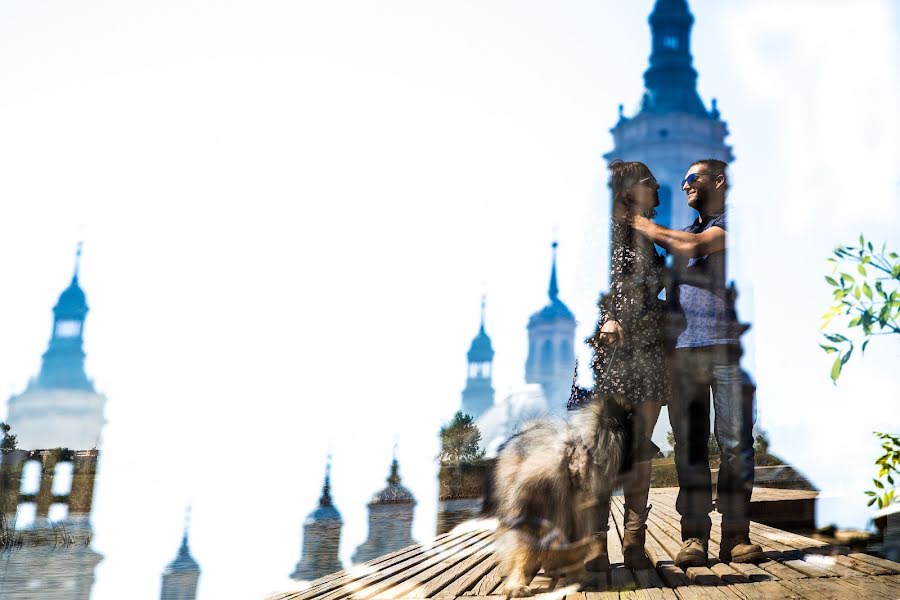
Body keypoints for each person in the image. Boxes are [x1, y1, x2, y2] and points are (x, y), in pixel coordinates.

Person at [616, 158, 763, 567]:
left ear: (718, 180)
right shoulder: (680, 233)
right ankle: (693, 537)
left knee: (735, 445)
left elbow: (692, 248)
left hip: (728, 350)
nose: (683, 187)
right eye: (681, 182)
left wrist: (637, 221)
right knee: (690, 449)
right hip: (682, 353)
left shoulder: (733, 222)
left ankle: (736, 536)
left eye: (691, 179)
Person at [573, 159, 669, 571]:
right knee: (602, 449)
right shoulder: (602, 235)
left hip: (647, 349)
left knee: (641, 448)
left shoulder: (650, 240)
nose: (657, 189)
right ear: (628, 189)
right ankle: (595, 545)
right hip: (612, 349)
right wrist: (609, 314)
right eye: (649, 182)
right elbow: (592, 285)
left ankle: (633, 542)